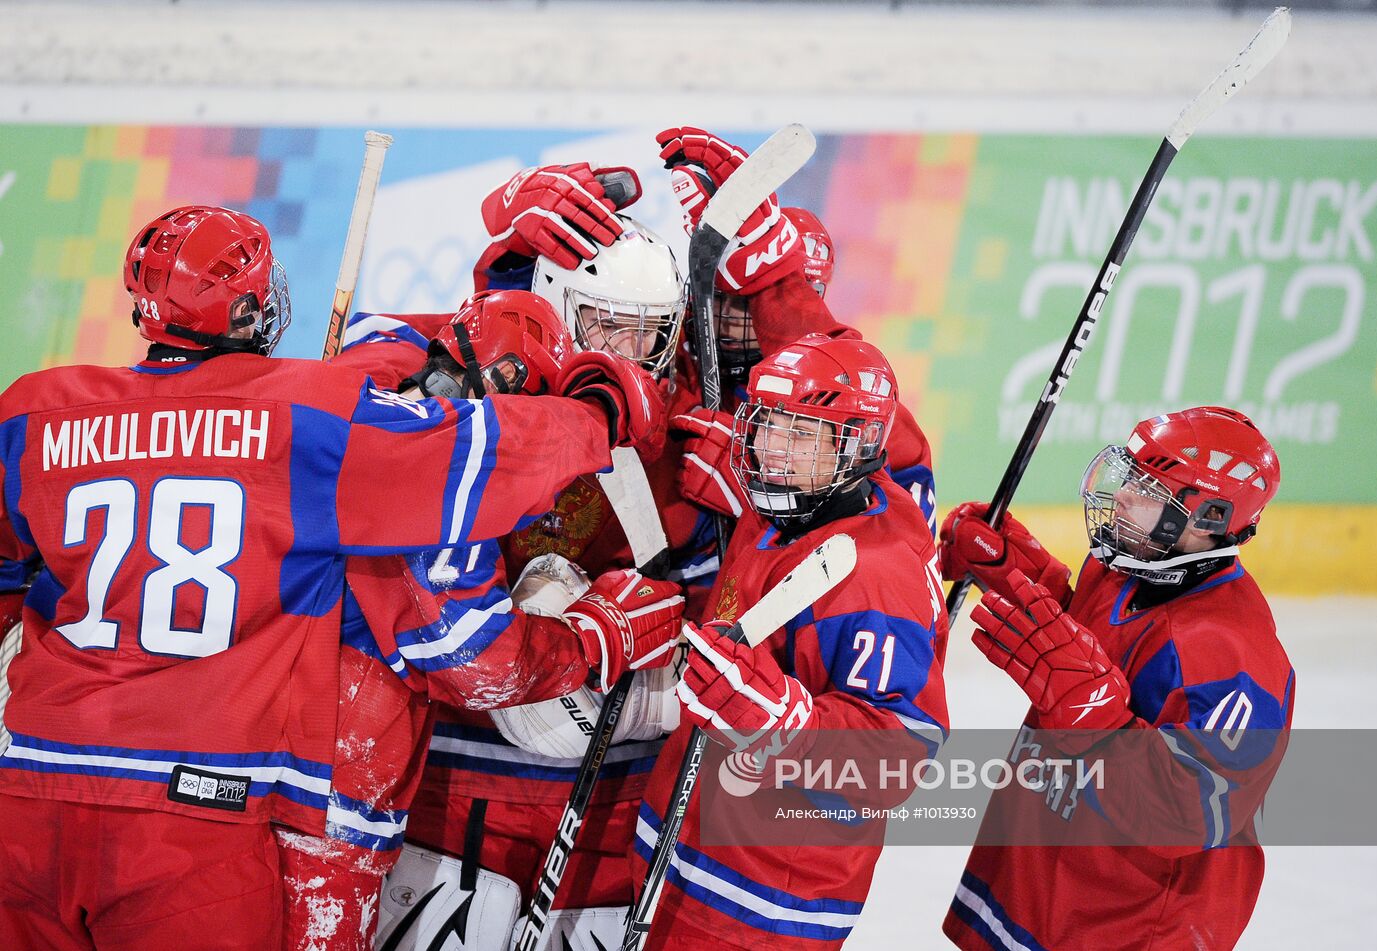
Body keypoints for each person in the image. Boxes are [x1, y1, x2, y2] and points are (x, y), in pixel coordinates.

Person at [0, 205, 667, 950]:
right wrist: (596, 417)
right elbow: (479, 456)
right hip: (196, 814)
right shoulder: (303, 413)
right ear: (250, 307)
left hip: (29, 793)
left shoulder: (34, 409)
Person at [274, 290, 688, 951]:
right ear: (512, 393)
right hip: (327, 787)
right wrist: (597, 635)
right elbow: (478, 665)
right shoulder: (452, 489)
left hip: (217, 759)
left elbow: (379, 331)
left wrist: (503, 272)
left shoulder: (358, 382)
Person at [938, 406, 1295, 951]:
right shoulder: (1128, 561)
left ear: (1206, 519)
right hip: (1048, 878)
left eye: (1148, 489)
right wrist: (1013, 571)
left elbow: (1194, 811)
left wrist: (1095, 713)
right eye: (1128, 476)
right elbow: (1083, 644)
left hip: (1129, 923)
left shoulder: (1233, 657)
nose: (1123, 495)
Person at [642, 333, 950, 950]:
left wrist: (783, 719)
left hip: (765, 899)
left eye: (802, 433)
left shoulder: (877, 579)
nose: (772, 449)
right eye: (768, 423)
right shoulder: (782, 505)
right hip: (680, 850)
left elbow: (905, 755)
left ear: (858, 444)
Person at [656, 126, 940, 535]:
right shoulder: (666, 360)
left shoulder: (847, 394)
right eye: (723, 296)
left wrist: (766, 496)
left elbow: (904, 529)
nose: (734, 315)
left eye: (749, 298)